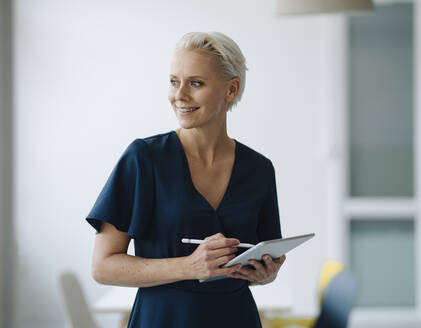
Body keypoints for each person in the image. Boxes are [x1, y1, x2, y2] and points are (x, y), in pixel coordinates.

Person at [86, 31, 286, 327]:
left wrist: (265, 274)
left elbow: (262, 263)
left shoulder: (259, 169)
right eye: (173, 82)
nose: (179, 95)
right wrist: (188, 266)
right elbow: (103, 267)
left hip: (236, 318)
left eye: (195, 83)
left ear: (231, 90)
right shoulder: (143, 159)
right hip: (163, 319)